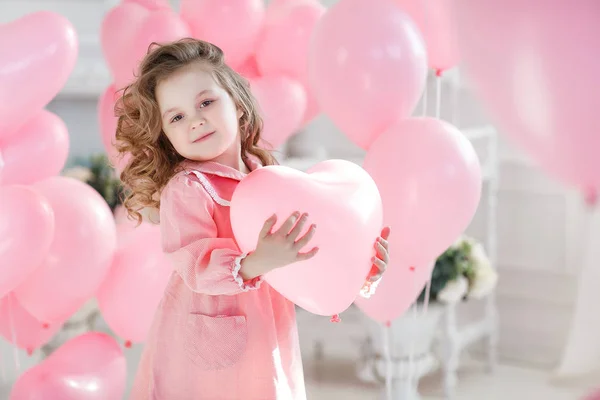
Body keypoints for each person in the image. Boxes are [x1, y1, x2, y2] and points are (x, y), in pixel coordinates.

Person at [115, 38, 391, 400]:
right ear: (167, 137)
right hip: (207, 338)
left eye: (206, 102)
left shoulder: (269, 178)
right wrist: (257, 261)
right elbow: (194, 265)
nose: (196, 120)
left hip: (265, 328)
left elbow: (309, 254)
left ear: (238, 106)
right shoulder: (189, 188)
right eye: (177, 117)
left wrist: (357, 268)